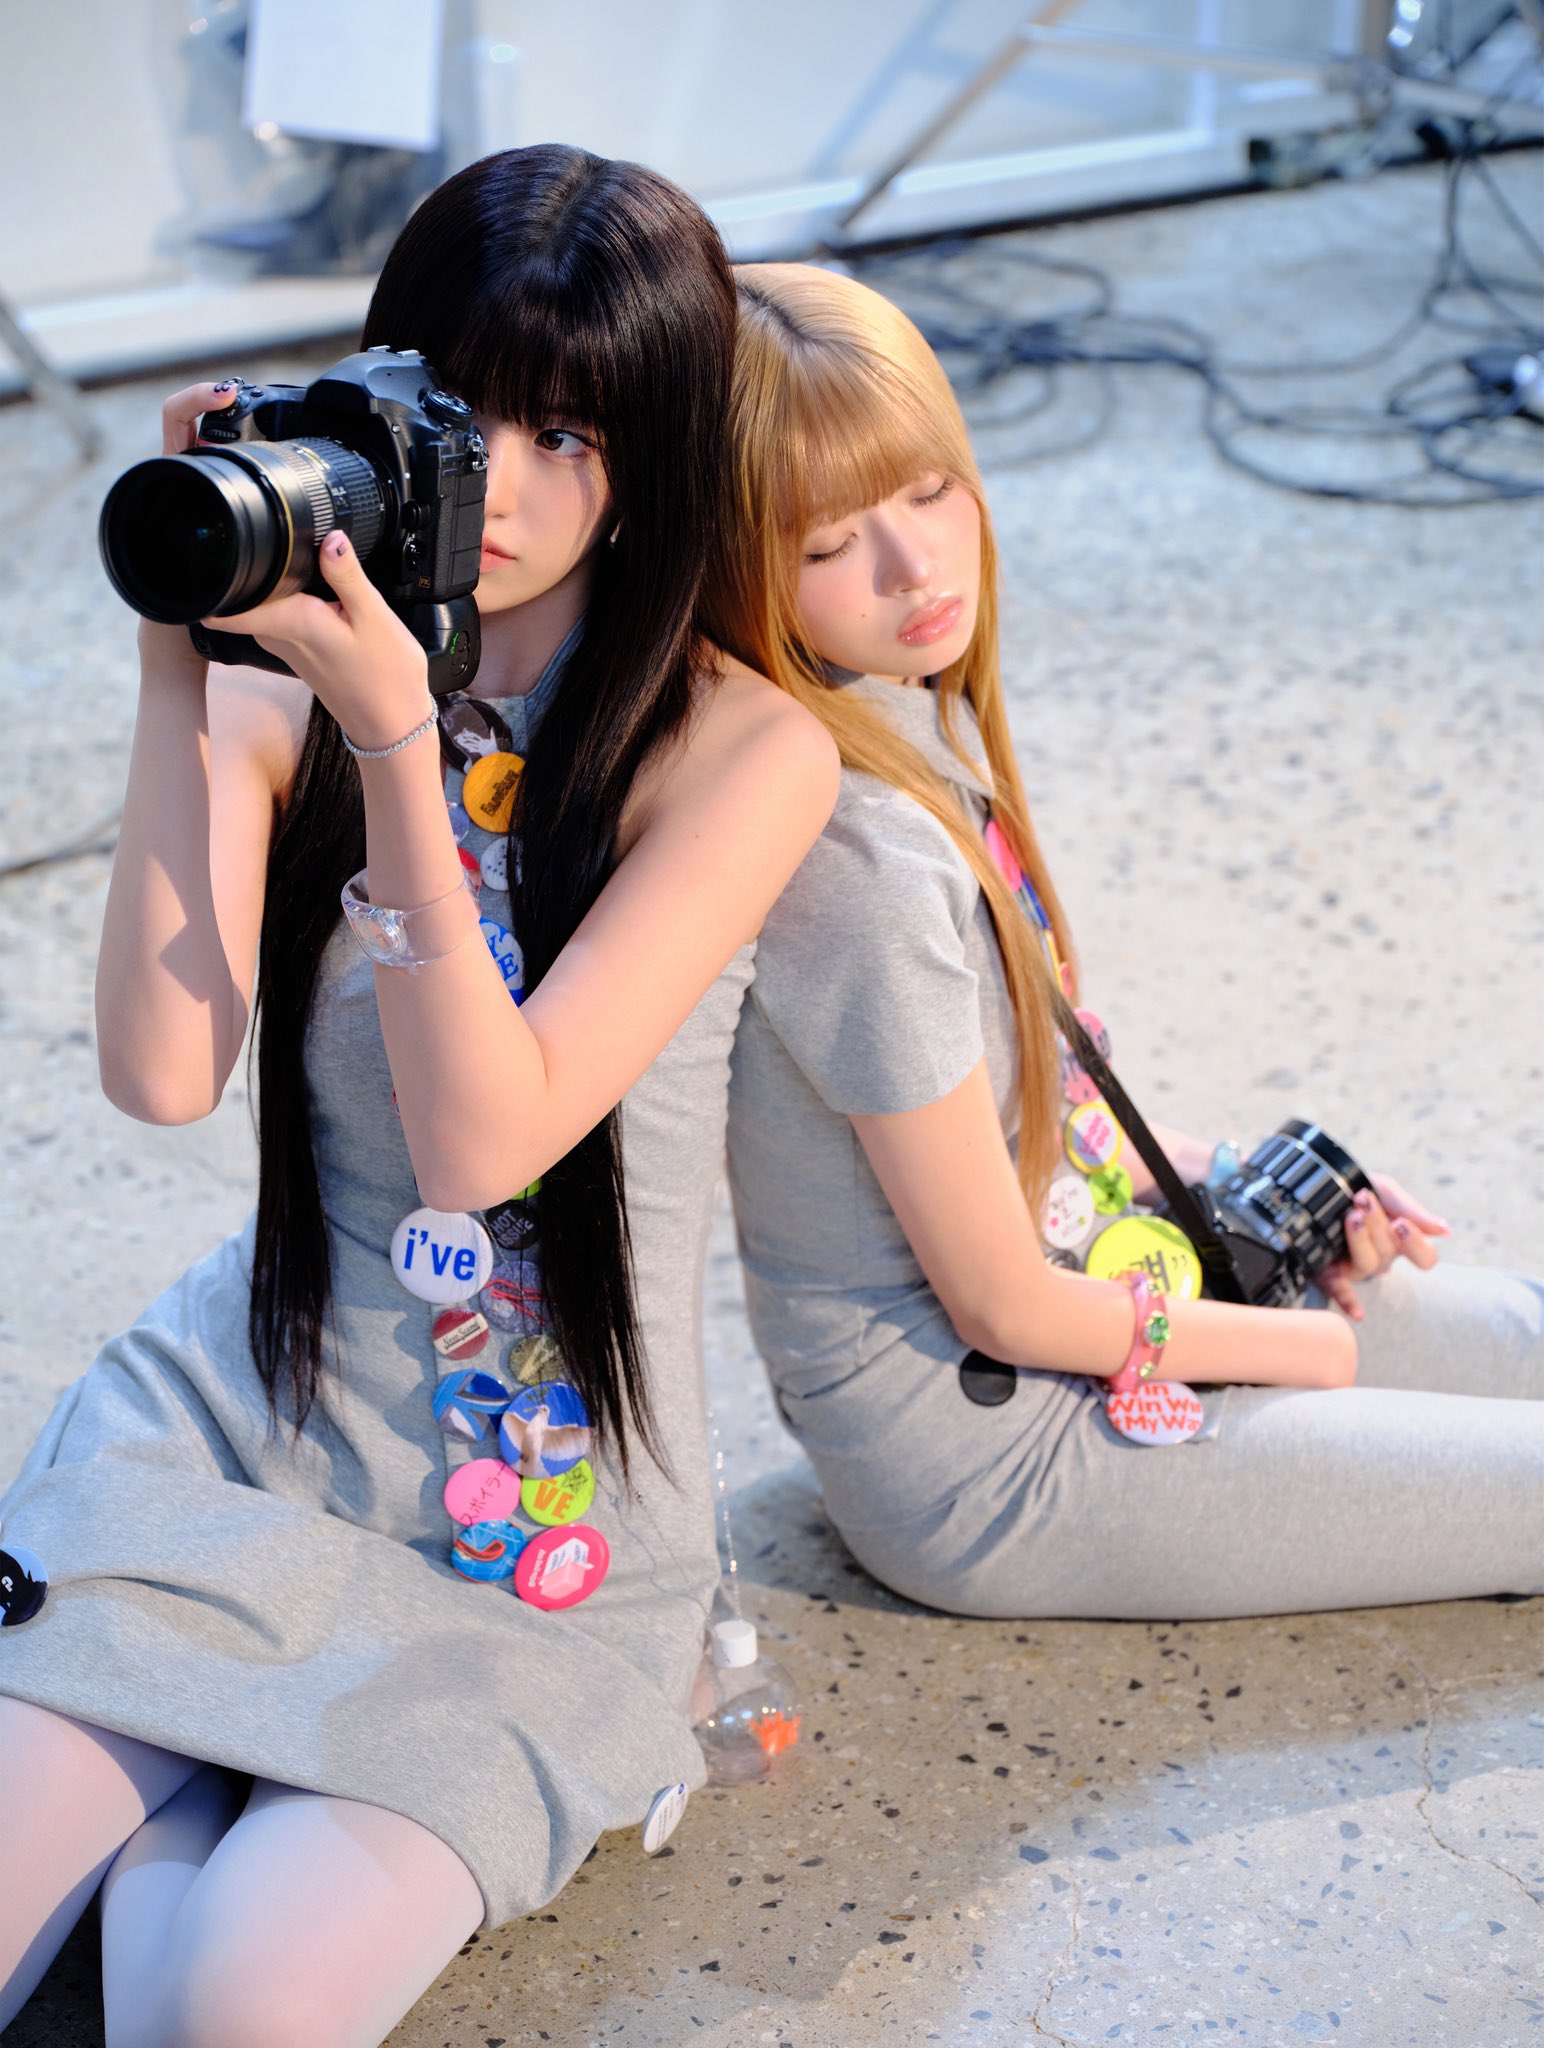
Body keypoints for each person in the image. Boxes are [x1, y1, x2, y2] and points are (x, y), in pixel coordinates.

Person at [0, 152, 837, 2046]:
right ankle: (179, 1768)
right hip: (241, 1425)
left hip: (527, 1513)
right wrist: (183, 664)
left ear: (659, 456)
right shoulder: (283, 683)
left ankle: (178, 1798)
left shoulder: (736, 750)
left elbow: (485, 1138)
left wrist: (397, 739)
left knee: (237, 2012)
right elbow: (159, 1073)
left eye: (570, 432)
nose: (507, 488)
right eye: (468, 415)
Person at [705, 262, 1543, 1624]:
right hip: (998, 1453)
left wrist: (1268, 1189)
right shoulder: (853, 854)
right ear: (734, 566)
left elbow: (1036, 1123)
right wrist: (1299, 1351)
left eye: (931, 489)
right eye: (827, 543)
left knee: (1518, 1335)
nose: (917, 567)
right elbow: (1000, 1306)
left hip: (1102, 1271)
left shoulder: (905, 716)